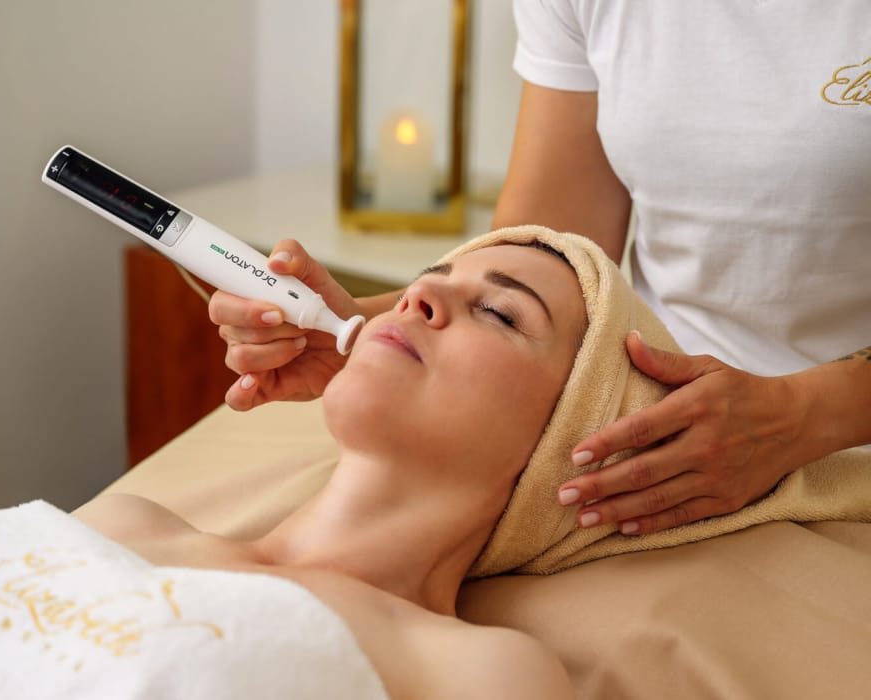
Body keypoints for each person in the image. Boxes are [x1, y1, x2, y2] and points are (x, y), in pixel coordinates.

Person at [212, 0, 871, 538]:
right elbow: (551, 252)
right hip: (631, 439)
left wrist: (803, 415)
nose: (419, 300)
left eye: (499, 316)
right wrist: (364, 324)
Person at [0, 235, 584, 698]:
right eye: (426, 280)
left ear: (573, 434)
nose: (415, 299)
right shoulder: (122, 521)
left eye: (499, 313)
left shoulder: (480, 671)